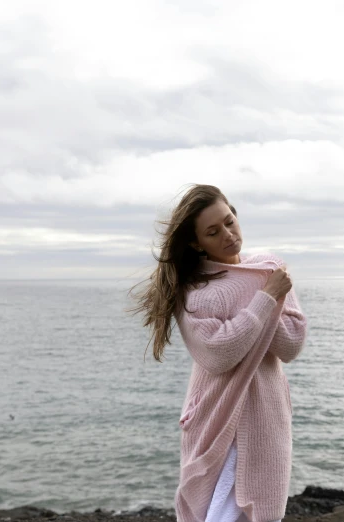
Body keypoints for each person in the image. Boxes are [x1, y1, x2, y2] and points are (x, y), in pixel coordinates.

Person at [129, 184, 308, 522]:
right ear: (197, 242)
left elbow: (290, 345)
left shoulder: (270, 268)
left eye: (229, 221)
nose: (228, 234)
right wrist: (266, 298)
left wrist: (265, 294)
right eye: (213, 231)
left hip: (265, 417)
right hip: (217, 419)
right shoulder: (197, 293)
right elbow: (219, 354)